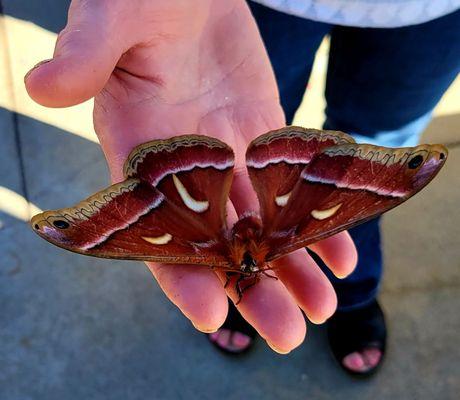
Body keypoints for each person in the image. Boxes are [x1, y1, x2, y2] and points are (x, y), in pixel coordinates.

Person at [25, 0, 460, 376]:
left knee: (380, 138)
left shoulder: (199, 247)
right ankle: (345, 292)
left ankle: (353, 291)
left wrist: (86, 232)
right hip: (270, 8)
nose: (250, 267)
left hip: (430, 13)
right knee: (279, 123)